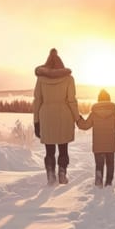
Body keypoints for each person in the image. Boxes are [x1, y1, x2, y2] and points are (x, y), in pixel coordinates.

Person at [33, 48, 80, 185]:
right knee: (63, 148)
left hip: (46, 116)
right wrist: (77, 118)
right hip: (64, 116)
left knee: (49, 150)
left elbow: (37, 101)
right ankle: (62, 172)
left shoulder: (41, 79)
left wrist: (36, 121)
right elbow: (72, 100)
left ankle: (50, 174)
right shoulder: (69, 79)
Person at [77, 89, 115, 187]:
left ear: (98, 100)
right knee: (110, 164)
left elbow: (85, 126)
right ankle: (109, 182)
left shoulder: (94, 113)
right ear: (109, 99)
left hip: (98, 145)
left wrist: (78, 119)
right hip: (111, 145)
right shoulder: (113, 113)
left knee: (99, 164)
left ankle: (99, 180)